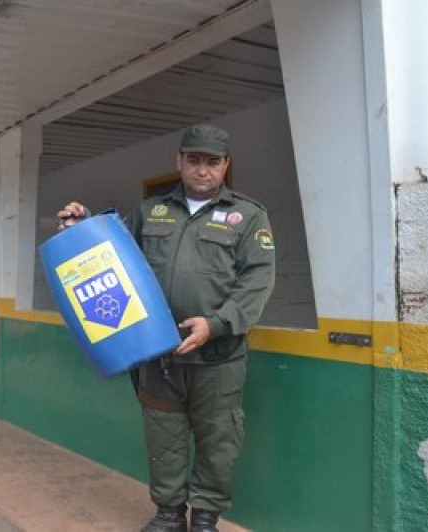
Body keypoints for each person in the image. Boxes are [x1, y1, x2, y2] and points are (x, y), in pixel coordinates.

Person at [57, 124, 275, 532]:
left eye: (212, 162)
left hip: (218, 357)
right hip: (160, 355)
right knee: (164, 438)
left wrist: (216, 324)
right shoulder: (151, 211)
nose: (202, 170)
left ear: (226, 165)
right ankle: (170, 514)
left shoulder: (248, 215)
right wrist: (83, 225)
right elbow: (115, 254)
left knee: (218, 440)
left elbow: (257, 281)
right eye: (194, 160)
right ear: (179, 161)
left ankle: (205, 518)